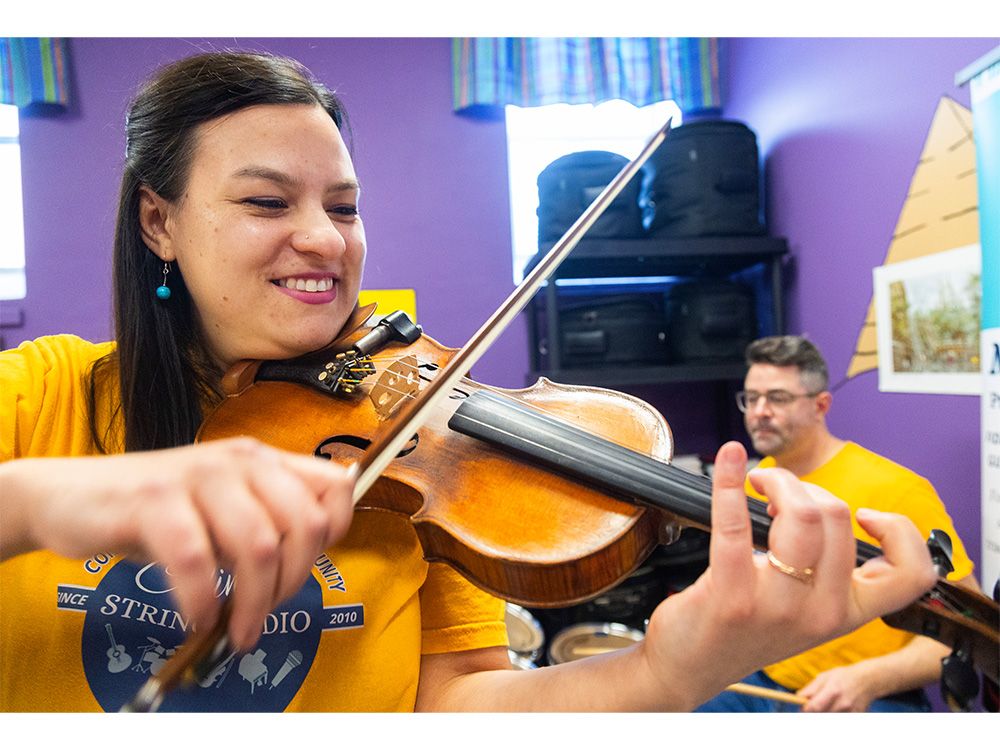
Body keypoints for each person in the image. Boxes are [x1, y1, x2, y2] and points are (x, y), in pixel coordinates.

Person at [0, 51, 937, 713]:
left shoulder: (417, 443)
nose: (327, 239)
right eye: (265, 202)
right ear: (158, 223)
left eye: (344, 205)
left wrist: (668, 672)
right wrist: (45, 499)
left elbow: (459, 707)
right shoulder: (44, 396)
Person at [695, 335, 978, 713]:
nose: (759, 411)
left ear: (821, 405)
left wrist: (867, 678)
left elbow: (968, 632)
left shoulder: (898, 489)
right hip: (761, 679)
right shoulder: (755, 483)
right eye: (751, 398)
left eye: (777, 398)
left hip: (869, 692)